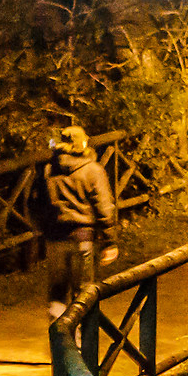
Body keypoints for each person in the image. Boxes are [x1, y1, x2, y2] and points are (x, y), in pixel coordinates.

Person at [44, 124, 119, 319]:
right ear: (83, 143)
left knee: (57, 294)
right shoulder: (93, 170)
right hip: (82, 238)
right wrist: (109, 241)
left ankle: (60, 343)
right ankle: (81, 344)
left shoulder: (49, 170)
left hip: (55, 239)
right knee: (83, 294)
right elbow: (104, 207)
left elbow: (34, 203)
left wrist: (43, 229)